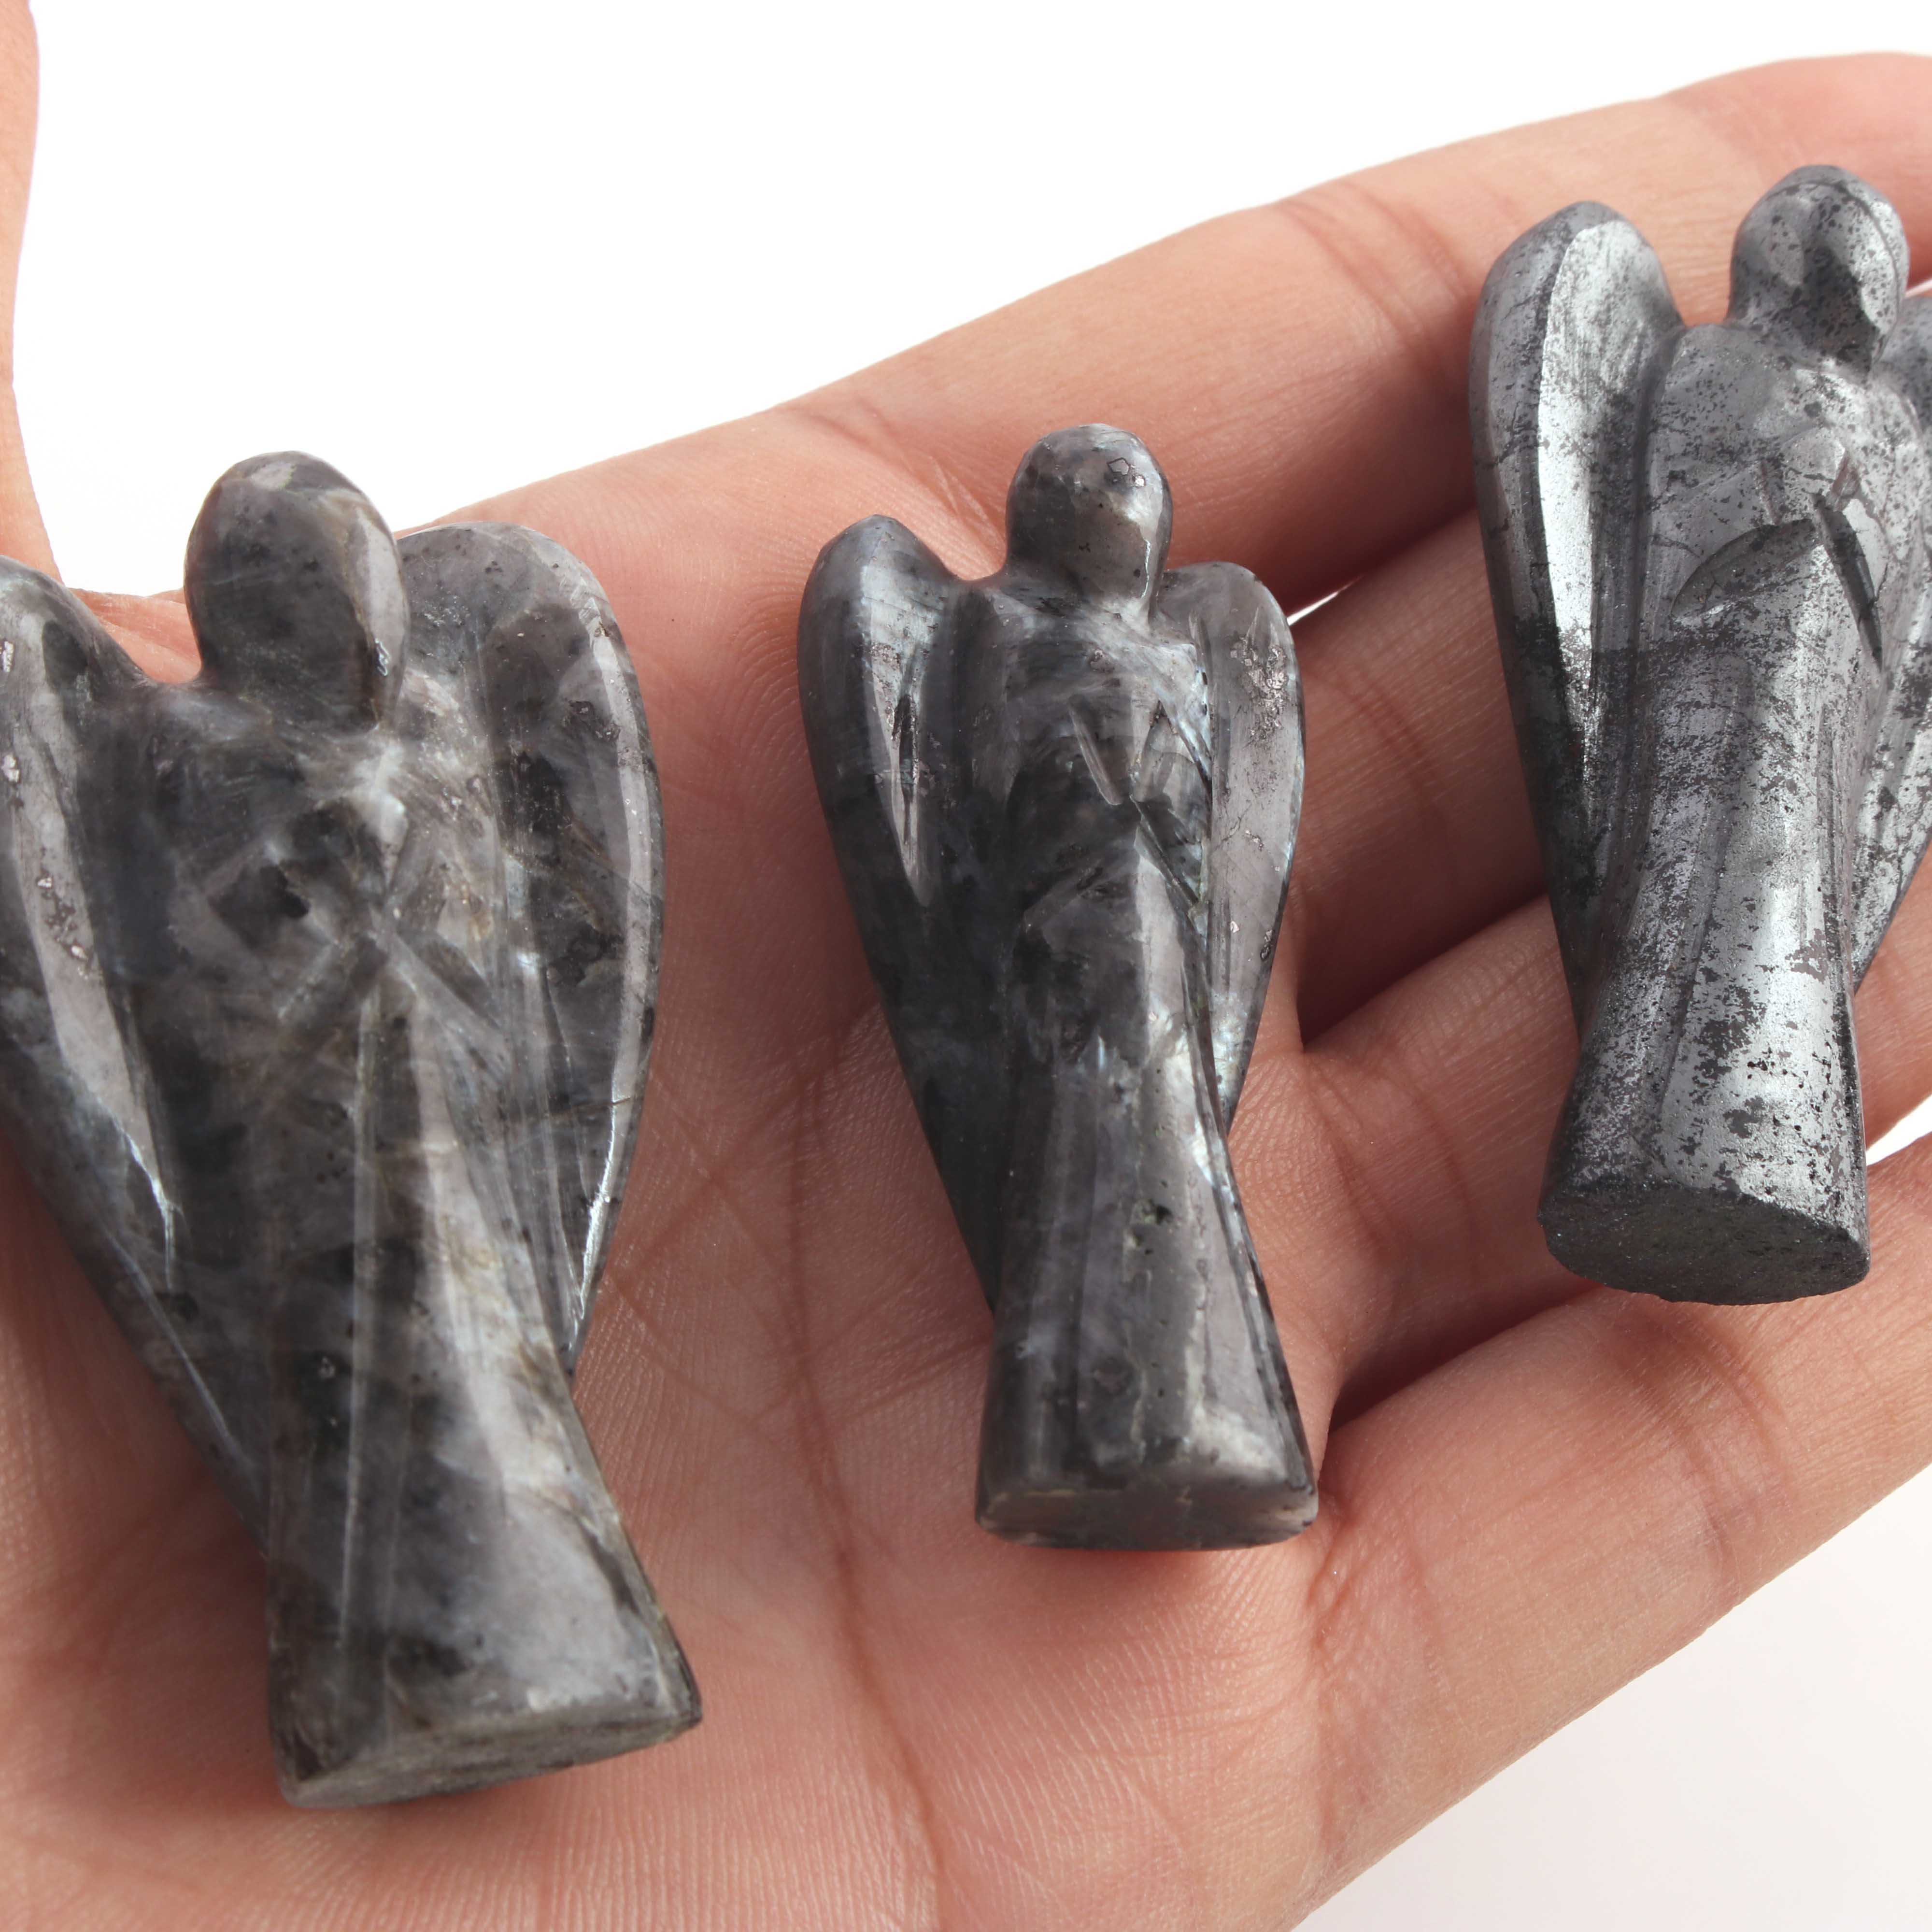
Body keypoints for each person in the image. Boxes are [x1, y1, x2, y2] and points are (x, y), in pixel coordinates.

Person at [0, 5, 1929, 1919]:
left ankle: (1205, 1389)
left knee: (1166, 1141)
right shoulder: (196, 764)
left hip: (1167, 944)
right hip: (398, 1118)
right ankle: (462, 1641)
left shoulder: (1171, 642)